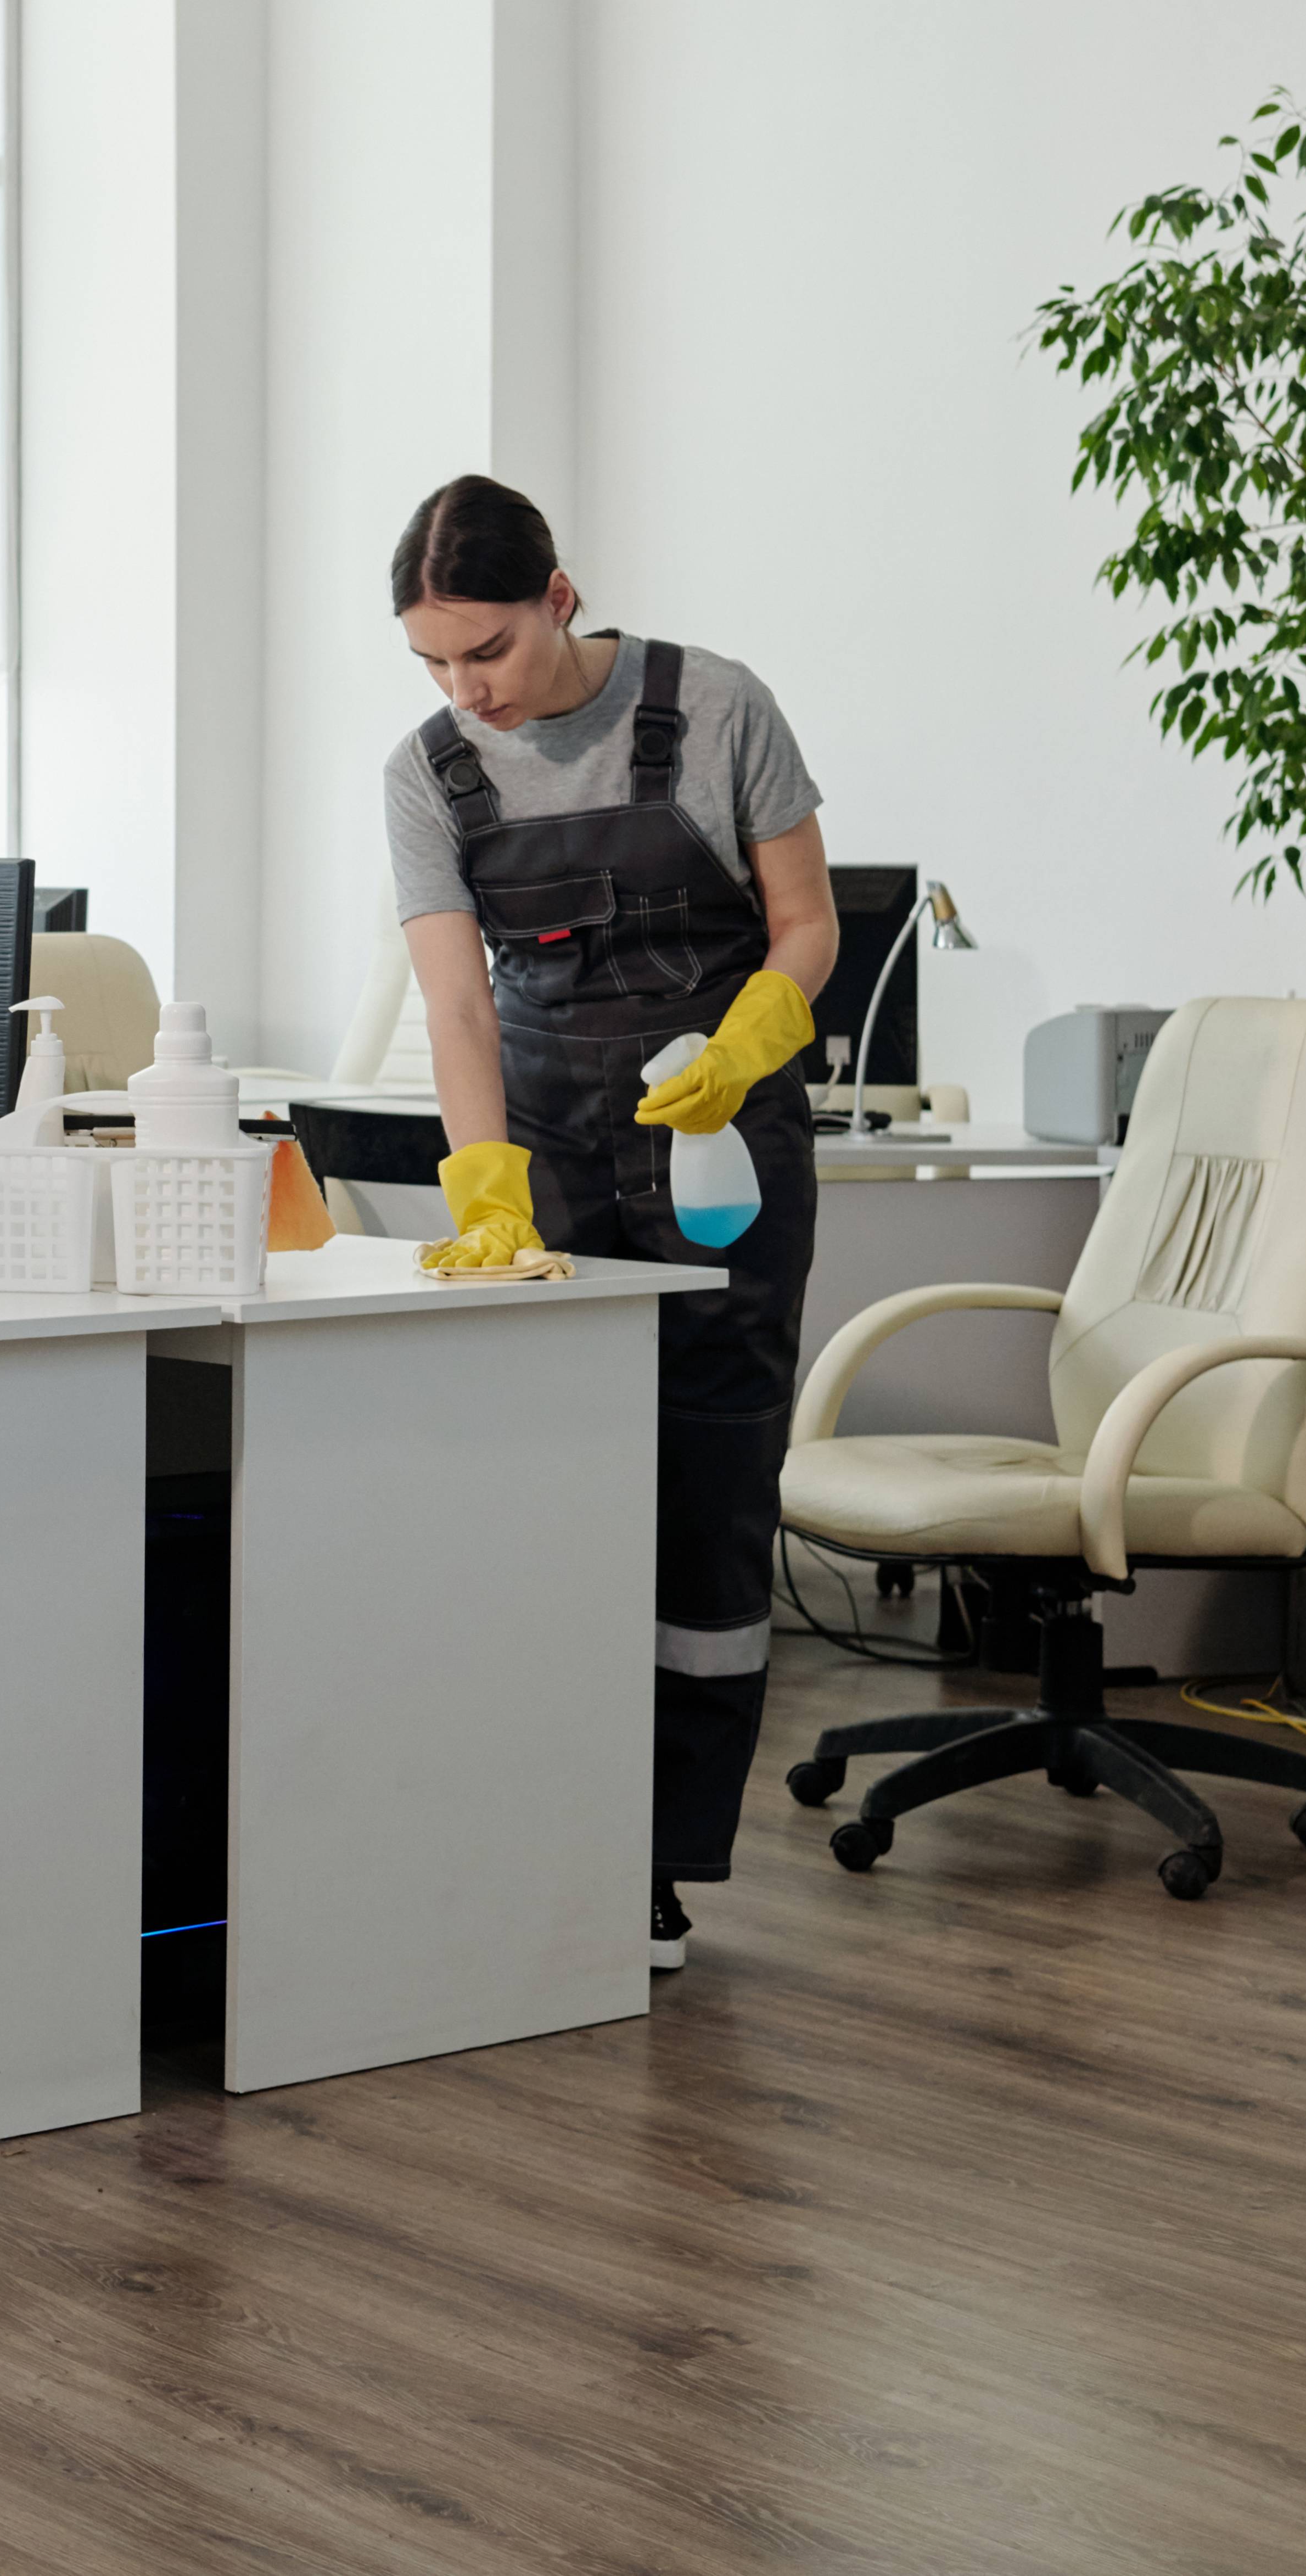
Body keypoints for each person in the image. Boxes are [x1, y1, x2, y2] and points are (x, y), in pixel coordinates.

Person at [382, 475, 835, 1976]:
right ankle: (538, 1830)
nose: (470, 691)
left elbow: (807, 924)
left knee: (705, 1504)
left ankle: (658, 1862)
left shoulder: (716, 708)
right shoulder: (430, 771)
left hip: (721, 1145)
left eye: (490, 651)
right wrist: (483, 1183)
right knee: (555, 1493)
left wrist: (753, 1039)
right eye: (437, 663)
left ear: (560, 597)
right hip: (555, 1151)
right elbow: (455, 999)